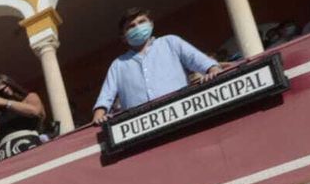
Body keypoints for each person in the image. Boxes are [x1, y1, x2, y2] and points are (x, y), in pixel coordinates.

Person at [92, 8, 224, 125]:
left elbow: (203, 63)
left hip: (183, 117)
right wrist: (99, 117)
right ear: (123, 37)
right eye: (131, 26)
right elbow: (105, 97)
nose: (137, 27)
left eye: (142, 22)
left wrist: (213, 71)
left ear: (151, 24)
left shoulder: (170, 42)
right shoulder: (118, 65)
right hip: (142, 130)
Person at [0, 74, 47, 161]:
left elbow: (35, 111)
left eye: (2, 91)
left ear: (10, 85)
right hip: (5, 153)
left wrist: (7, 103)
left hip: (28, 144)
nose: (0, 96)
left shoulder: (29, 98)